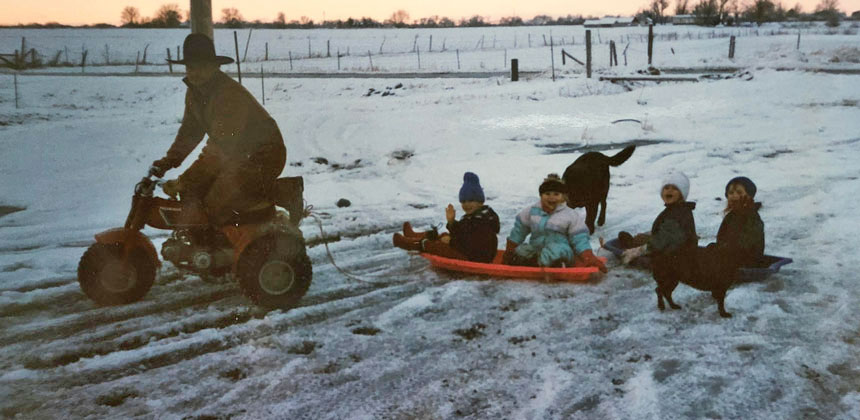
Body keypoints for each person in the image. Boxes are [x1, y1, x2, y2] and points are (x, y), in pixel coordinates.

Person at [149, 33, 297, 227]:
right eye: (190, 67)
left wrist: (184, 179)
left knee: (216, 200)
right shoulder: (195, 92)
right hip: (236, 155)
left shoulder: (229, 95)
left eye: (201, 66)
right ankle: (203, 248)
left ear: (214, 67)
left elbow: (220, 148)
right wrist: (168, 162)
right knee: (192, 194)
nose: (194, 73)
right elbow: (190, 133)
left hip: (264, 155)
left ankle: (280, 197)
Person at [621, 172, 697, 310]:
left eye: (674, 188)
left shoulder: (677, 213)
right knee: (640, 238)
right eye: (666, 187)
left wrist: (638, 251)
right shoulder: (676, 210)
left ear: (682, 193)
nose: (669, 190)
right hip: (673, 250)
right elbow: (667, 232)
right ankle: (630, 241)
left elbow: (664, 240)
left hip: (674, 257)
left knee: (664, 275)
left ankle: (629, 243)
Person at [502, 174, 606, 272]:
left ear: (563, 196)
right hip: (537, 249)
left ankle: (557, 265)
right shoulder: (532, 211)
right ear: (541, 195)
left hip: (561, 251)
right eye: (547, 194)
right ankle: (529, 263)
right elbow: (519, 230)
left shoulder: (569, 215)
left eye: (556, 194)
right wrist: (510, 250)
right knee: (522, 251)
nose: (551, 197)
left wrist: (587, 256)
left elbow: (579, 238)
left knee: (555, 251)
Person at [393, 172, 500, 263]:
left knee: (437, 246)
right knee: (444, 235)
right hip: (469, 252)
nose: (467, 205)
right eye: (463, 201)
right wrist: (452, 222)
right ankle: (415, 236)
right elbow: (463, 232)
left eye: (471, 200)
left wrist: (451, 242)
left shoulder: (483, 221)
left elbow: (471, 245)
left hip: (475, 258)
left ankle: (411, 244)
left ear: (480, 201)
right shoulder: (475, 217)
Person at [709, 176, 765, 267]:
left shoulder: (751, 216)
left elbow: (745, 244)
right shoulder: (731, 216)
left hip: (746, 262)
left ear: (749, 196)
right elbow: (722, 238)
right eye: (731, 193)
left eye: (739, 192)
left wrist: (722, 250)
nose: (734, 196)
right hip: (730, 258)